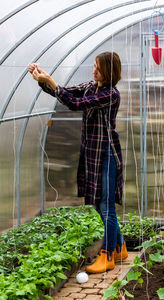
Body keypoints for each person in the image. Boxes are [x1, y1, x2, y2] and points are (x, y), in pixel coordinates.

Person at [28, 51, 128, 273]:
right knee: (100, 205)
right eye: (93, 66)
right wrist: (44, 79)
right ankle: (120, 247)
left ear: (109, 71)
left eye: (98, 68)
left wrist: (51, 82)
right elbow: (65, 93)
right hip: (93, 154)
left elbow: (75, 104)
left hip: (107, 154)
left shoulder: (111, 94)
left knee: (106, 206)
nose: (94, 70)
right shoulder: (91, 86)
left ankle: (108, 256)